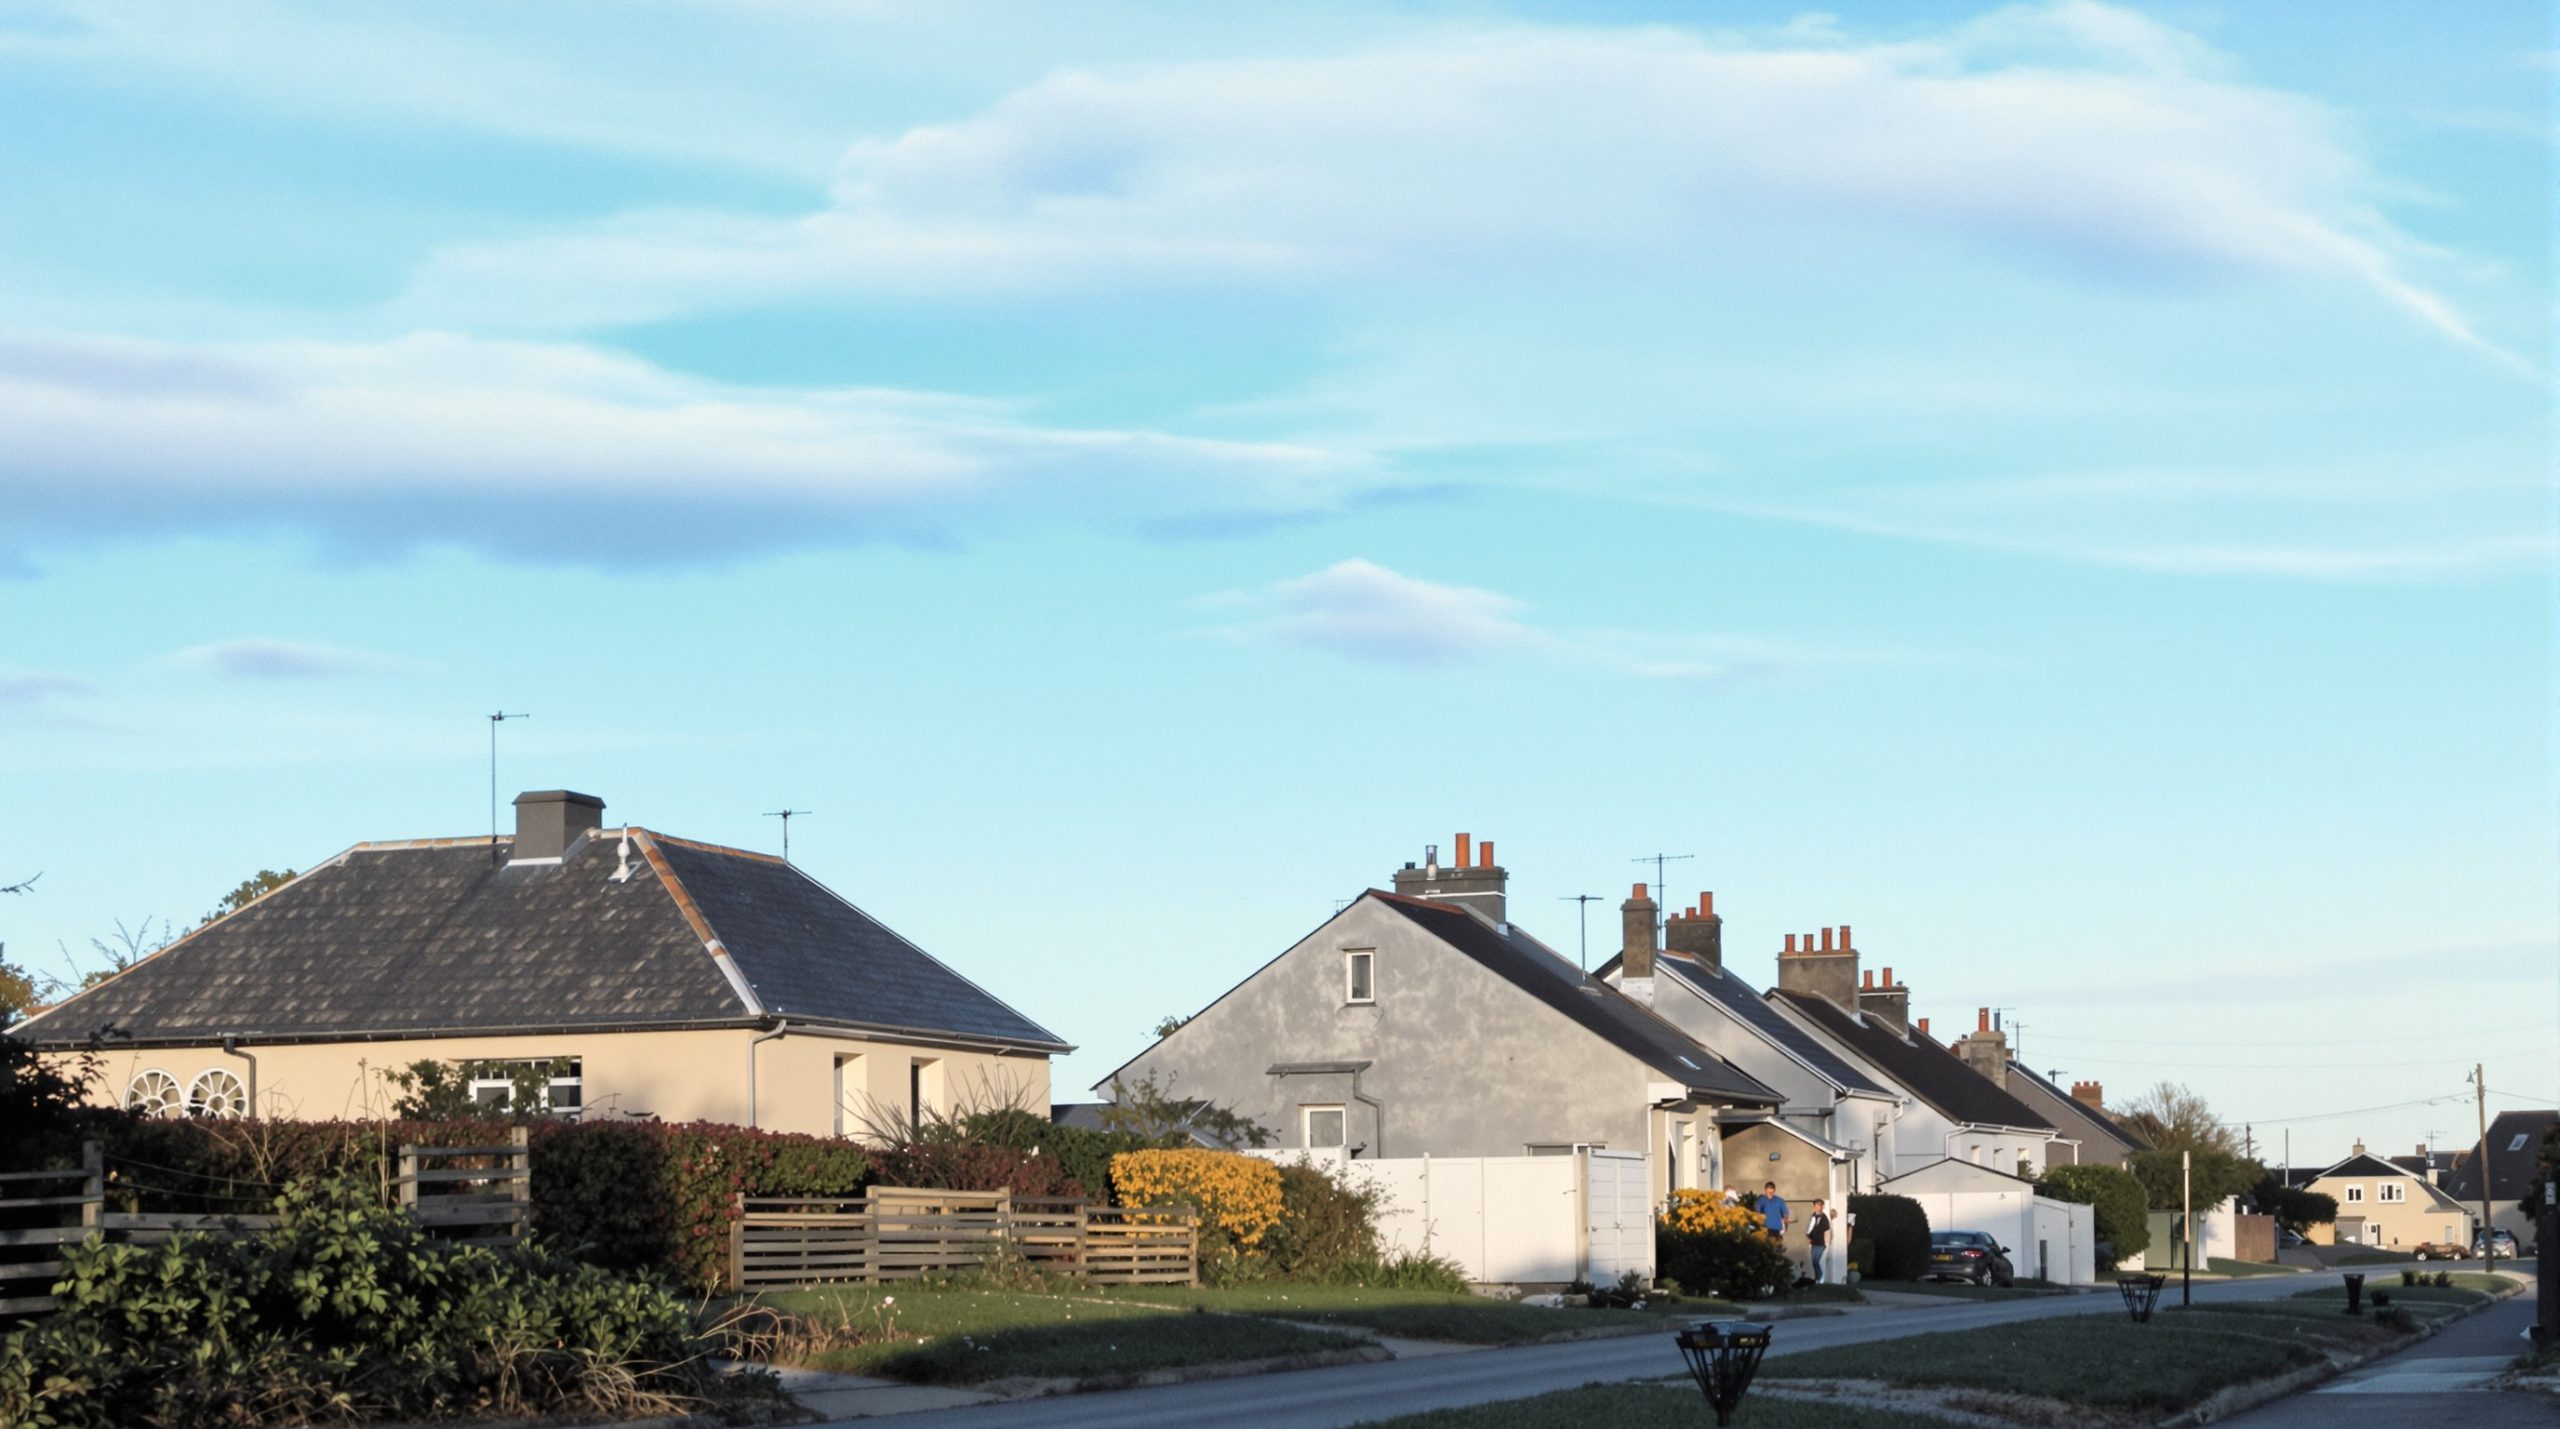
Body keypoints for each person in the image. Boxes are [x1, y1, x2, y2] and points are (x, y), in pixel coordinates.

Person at [1806, 1198, 1833, 1284]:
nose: (1818, 1207)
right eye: (1816, 1205)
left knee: (1816, 1261)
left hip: (1821, 1243)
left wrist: (1826, 1242)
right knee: (1814, 1261)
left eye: (1819, 1205)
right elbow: (1811, 1228)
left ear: (1821, 1207)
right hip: (1814, 1242)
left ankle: (1821, 1277)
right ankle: (1817, 1279)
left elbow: (1827, 1230)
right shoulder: (1813, 1216)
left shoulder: (1824, 1217)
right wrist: (1809, 1238)